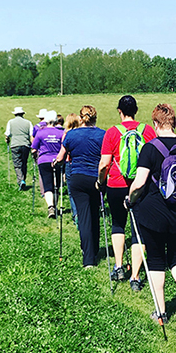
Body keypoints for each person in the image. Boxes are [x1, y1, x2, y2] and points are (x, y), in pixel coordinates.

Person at [127, 103, 176, 328]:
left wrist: (130, 199)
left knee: (156, 260)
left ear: (155, 123)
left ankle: (161, 312)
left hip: (154, 214)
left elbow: (139, 183)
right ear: (174, 122)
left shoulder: (149, 148)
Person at [99, 95, 156, 290]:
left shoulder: (112, 132)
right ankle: (135, 277)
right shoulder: (147, 131)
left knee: (118, 224)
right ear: (136, 111)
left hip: (116, 184)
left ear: (119, 111)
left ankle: (118, 266)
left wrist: (101, 182)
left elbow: (105, 163)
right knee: (138, 229)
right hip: (140, 186)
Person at [54, 106, 105, 268]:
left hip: (78, 178)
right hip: (96, 178)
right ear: (95, 118)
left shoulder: (71, 135)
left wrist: (55, 163)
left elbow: (61, 157)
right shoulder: (102, 134)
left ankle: (88, 258)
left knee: (84, 216)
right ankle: (95, 249)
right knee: (95, 213)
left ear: (80, 118)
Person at [31, 112, 63, 218]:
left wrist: (34, 155)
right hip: (57, 160)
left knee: (47, 185)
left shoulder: (40, 132)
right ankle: (55, 205)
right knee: (56, 185)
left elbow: (34, 148)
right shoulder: (61, 133)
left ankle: (50, 207)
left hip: (44, 161)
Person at [4, 106, 32, 189]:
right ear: (22, 114)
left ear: (15, 114)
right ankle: (23, 179)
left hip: (15, 145)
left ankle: (21, 180)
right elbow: (31, 134)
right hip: (25, 144)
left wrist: (7, 140)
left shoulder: (10, 122)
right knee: (24, 163)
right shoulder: (28, 122)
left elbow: (7, 134)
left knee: (17, 164)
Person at [61, 113, 81, 223]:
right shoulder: (80, 133)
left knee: (71, 191)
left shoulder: (66, 135)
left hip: (69, 162)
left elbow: (63, 152)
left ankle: (76, 213)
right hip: (80, 162)